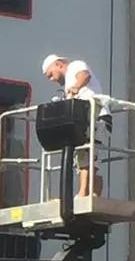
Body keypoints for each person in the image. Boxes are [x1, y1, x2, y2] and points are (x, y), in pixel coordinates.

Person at [41, 54, 110, 199]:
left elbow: (85, 76)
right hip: (92, 115)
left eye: (51, 75)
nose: (52, 79)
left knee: (85, 153)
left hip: (94, 114)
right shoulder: (69, 80)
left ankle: (83, 193)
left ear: (59, 65)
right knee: (90, 155)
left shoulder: (75, 66)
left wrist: (76, 88)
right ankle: (94, 193)